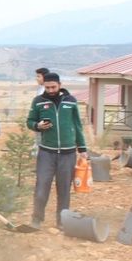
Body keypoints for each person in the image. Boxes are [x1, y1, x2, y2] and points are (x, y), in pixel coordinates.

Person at [26, 72, 87, 229]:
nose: (51, 90)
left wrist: (82, 148)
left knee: (64, 189)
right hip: (46, 152)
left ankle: (62, 221)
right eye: (47, 87)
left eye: (53, 87)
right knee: (41, 187)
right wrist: (37, 126)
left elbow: (77, 125)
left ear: (60, 85)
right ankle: (37, 220)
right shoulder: (38, 101)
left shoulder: (71, 101)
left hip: (68, 153)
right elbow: (30, 121)